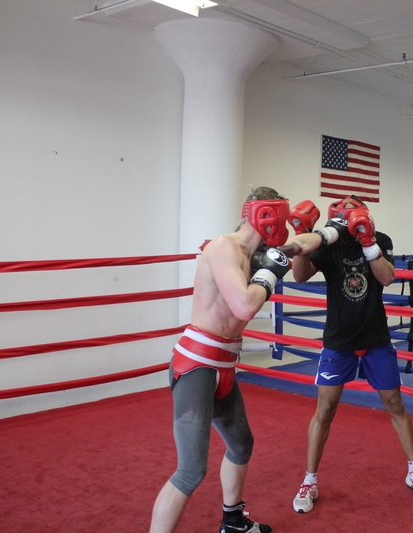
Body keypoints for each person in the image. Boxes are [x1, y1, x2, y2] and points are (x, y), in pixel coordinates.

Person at [149, 186, 296, 533]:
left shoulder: (259, 254)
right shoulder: (222, 248)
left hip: (226, 365)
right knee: (190, 471)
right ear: (267, 214)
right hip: (197, 365)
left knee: (241, 445)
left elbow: (298, 248)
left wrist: (328, 233)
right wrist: (269, 274)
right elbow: (244, 305)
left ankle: (233, 522)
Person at [285, 195, 413, 515]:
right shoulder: (328, 244)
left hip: (376, 337)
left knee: (395, 404)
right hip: (338, 341)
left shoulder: (381, 240)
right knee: (325, 409)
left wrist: (368, 242)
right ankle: (309, 480)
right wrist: (302, 235)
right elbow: (299, 275)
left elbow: (387, 277)